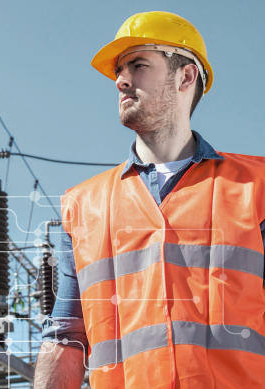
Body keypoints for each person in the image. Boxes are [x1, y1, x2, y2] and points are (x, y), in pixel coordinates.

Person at [34, 11, 265, 389]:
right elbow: (66, 336)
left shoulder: (257, 187)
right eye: (120, 71)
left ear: (186, 76)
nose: (122, 80)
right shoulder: (84, 205)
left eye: (138, 65)